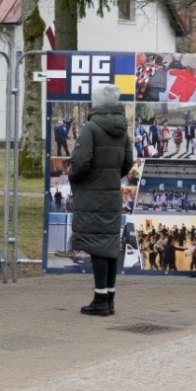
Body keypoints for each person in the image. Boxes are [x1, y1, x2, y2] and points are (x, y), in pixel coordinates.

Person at [70, 84, 135, 316]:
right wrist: (110, 176)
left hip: (92, 195)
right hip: (111, 195)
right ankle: (109, 300)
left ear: (96, 102)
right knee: (108, 247)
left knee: (98, 248)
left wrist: (74, 177)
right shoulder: (122, 130)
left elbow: (79, 161)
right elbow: (128, 162)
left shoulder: (92, 128)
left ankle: (99, 301)